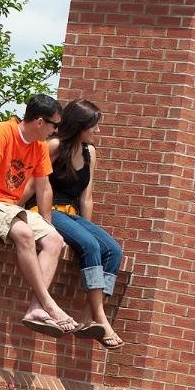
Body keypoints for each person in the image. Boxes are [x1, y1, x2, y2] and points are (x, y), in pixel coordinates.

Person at [0, 94, 76, 334]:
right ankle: (49, 303)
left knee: (54, 240)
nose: (56, 131)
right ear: (40, 122)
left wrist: (48, 224)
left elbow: (43, 187)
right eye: (55, 125)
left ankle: (36, 308)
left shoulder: (39, 146)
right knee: (23, 233)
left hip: (10, 207)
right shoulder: (1, 132)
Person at [21, 100, 124, 349]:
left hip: (72, 215)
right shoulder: (55, 145)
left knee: (111, 250)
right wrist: (11, 209)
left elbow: (86, 197)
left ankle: (91, 319)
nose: (96, 131)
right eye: (93, 126)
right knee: (90, 245)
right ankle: (102, 318)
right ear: (80, 125)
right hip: (46, 210)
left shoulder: (90, 153)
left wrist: (84, 230)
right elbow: (33, 184)